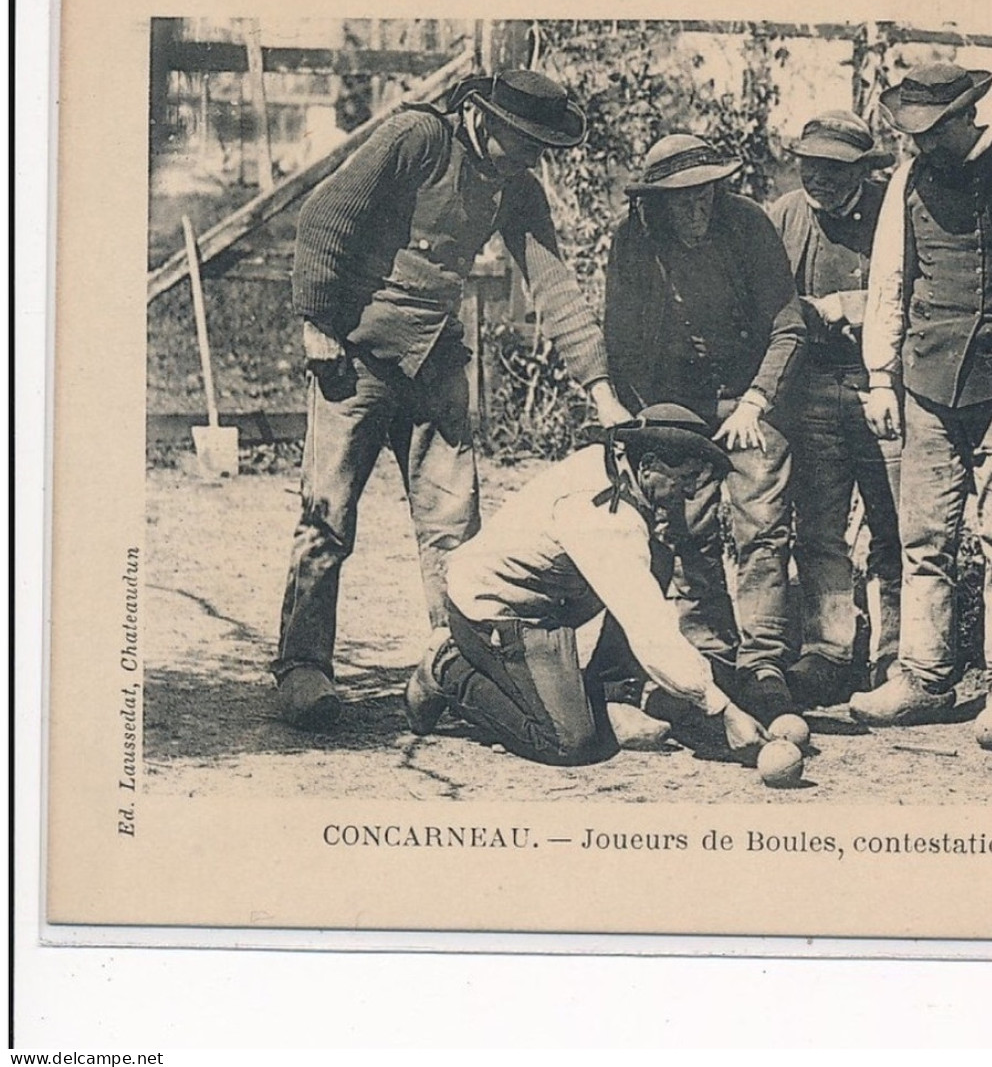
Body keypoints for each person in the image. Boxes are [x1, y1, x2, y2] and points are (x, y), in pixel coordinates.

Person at [272, 69, 634, 730]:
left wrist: (603, 393)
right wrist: (316, 323)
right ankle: (302, 667)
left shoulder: (515, 188)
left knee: (454, 525)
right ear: (480, 116)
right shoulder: (416, 137)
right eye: (521, 139)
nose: (530, 156)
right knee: (327, 514)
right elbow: (326, 216)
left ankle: (450, 666)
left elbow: (553, 287)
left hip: (435, 363)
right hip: (354, 352)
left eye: (539, 146)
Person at [851, 62, 992, 729]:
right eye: (912, 134)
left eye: (929, 132)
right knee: (922, 537)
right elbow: (889, 284)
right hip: (923, 387)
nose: (918, 145)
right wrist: (879, 376)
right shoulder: (905, 181)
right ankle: (923, 677)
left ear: (963, 118)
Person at [403, 404, 769, 766]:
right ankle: (448, 670)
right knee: (570, 741)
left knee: (654, 557)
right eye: (684, 478)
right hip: (489, 611)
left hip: (544, 602)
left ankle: (610, 694)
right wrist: (721, 709)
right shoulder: (603, 518)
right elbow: (649, 627)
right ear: (650, 464)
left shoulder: (612, 465)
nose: (689, 493)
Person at [602, 133, 805, 720]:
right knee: (680, 521)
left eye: (706, 197)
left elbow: (788, 326)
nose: (697, 211)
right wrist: (653, 423)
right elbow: (620, 340)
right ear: (655, 203)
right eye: (682, 201)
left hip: (748, 397)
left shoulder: (749, 227)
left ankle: (763, 661)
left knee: (762, 520)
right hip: (675, 400)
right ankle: (708, 650)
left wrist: (756, 400)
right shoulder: (634, 244)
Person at [765, 111, 902, 708]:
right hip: (813, 386)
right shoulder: (783, 216)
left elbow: (921, 291)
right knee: (819, 527)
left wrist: (853, 303)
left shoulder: (894, 211)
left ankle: (899, 655)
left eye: (832, 167)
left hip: (885, 386)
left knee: (896, 523)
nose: (817, 177)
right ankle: (826, 652)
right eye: (808, 163)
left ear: (861, 170)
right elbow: (760, 297)